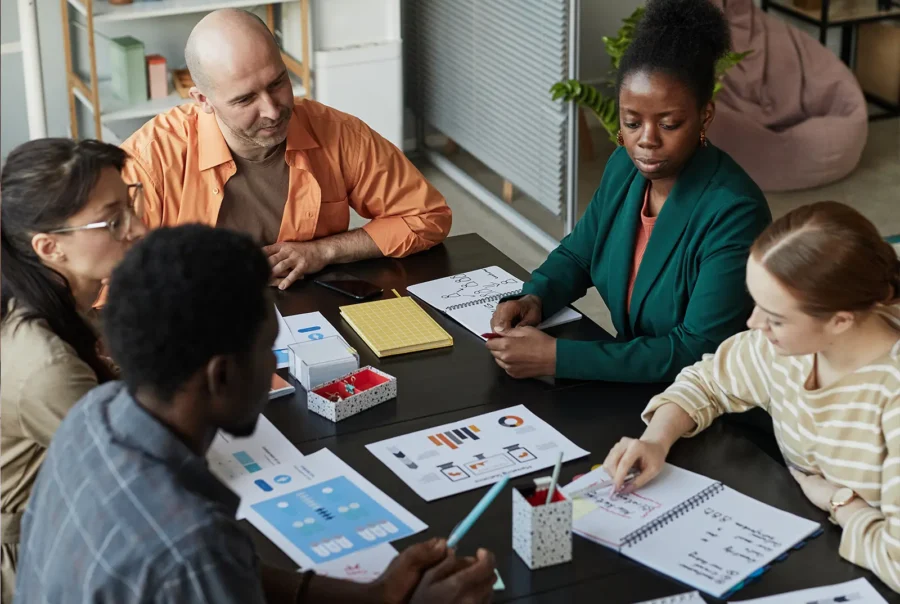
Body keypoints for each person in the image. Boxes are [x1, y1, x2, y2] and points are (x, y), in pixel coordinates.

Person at [14, 225, 496, 603]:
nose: (273, 366)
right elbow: (202, 564)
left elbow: (228, 570)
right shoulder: (191, 546)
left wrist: (374, 596)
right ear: (221, 375)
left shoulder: (93, 414)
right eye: (269, 350)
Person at [602, 202, 900, 592]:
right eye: (756, 303)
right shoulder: (785, 348)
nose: (753, 323)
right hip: (814, 547)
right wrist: (655, 440)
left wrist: (840, 503)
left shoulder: (890, 397)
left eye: (775, 318)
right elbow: (707, 381)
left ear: (840, 320)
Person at [487, 0, 771, 382]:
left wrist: (559, 358)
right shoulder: (623, 167)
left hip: (705, 395)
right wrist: (535, 297)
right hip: (633, 379)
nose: (646, 140)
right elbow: (580, 254)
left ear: (705, 115)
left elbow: (696, 349)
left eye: (669, 124)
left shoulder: (735, 212)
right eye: (632, 122)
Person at [121, 8, 451, 291]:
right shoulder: (150, 161)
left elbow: (426, 216)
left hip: (309, 306)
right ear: (203, 100)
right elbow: (108, 282)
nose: (272, 110)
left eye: (277, 82)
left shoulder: (336, 132)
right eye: (245, 99)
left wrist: (323, 251)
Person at [0, 138, 147, 603]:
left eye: (131, 205)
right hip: (36, 554)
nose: (138, 228)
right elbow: (137, 475)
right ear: (49, 247)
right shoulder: (46, 366)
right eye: (114, 220)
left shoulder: (46, 295)